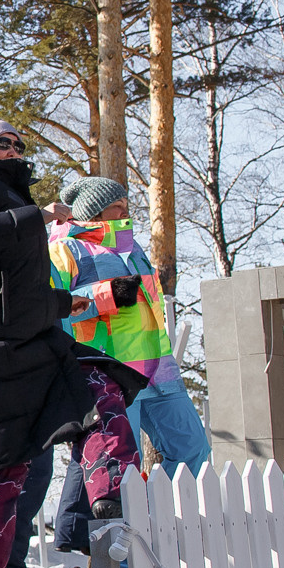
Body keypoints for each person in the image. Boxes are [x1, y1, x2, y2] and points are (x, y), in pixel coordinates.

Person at [0, 120, 144, 568]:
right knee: (6, 464)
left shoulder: (2, 195)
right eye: (1, 142)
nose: (12, 149)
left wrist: (67, 303)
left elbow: (11, 287)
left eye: (17, 143)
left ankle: (112, 503)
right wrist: (38, 216)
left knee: (101, 390)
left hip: (30, 338)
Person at [49, 176, 210, 476]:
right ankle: (130, 520)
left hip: (157, 366)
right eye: (117, 206)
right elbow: (53, 308)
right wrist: (107, 295)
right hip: (112, 370)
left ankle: (171, 518)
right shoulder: (64, 250)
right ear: (93, 213)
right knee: (124, 462)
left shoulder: (133, 249)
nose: (126, 212)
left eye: (126, 205)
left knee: (194, 448)